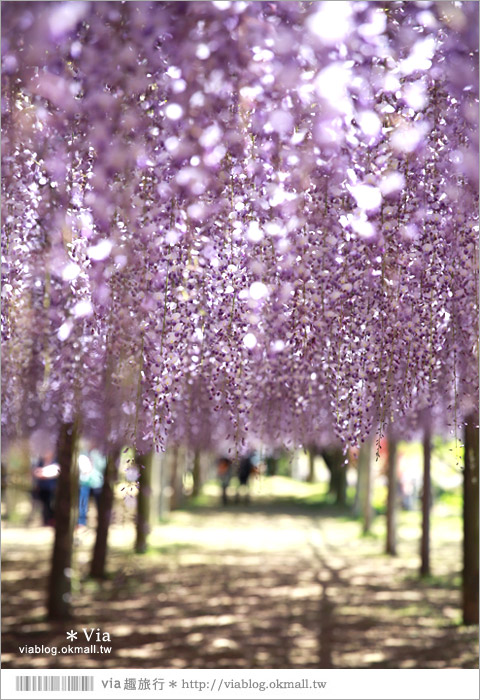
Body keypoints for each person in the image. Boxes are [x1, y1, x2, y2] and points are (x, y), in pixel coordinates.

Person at [32, 452, 60, 526]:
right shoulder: (40, 462)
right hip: (42, 488)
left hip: (51, 487)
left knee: (51, 504)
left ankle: (51, 520)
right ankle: (46, 520)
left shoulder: (55, 462)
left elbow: (57, 472)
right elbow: (35, 473)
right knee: (44, 505)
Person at [78, 452, 93, 528]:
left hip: (84, 484)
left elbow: (88, 470)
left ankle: (82, 522)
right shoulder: (79, 457)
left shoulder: (83, 458)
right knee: (80, 504)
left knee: (83, 503)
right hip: (79, 484)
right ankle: (80, 522)